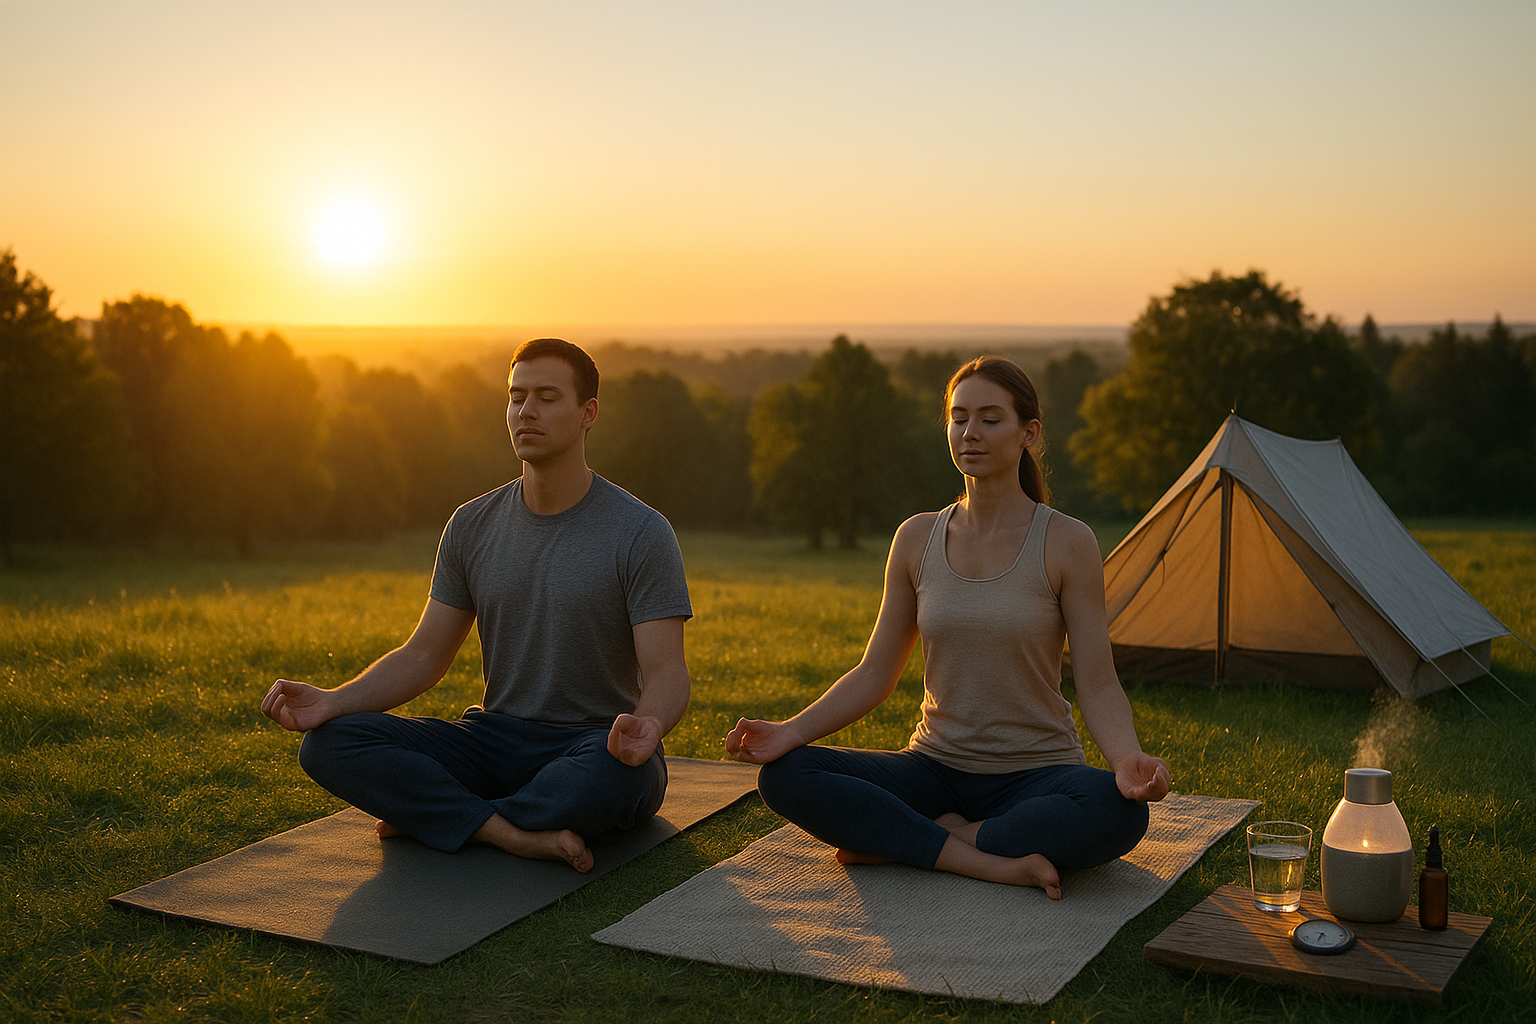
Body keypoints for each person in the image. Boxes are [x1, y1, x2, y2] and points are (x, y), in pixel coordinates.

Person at [725, 355, 1169, 898]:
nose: (970, 433)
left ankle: (920, 841)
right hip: (933, 770)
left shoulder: (1067, 542)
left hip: (1036, 776)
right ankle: (987, 861)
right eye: (959, 418)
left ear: (1028, 433)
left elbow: (1098, 682)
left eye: (989, 418)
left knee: (1116, 813)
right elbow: (874, 674)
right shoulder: (916, 538)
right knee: (786, 776)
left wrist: (1127, 762)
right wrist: (789, 732)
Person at [261, 338, 692, 873]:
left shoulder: (641, 532)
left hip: (593, 745)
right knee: (331, 744)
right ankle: (512, 833)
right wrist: (331, 701)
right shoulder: (471, 525)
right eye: (516, 397)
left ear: (589, 414)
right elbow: (423, 657)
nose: (526, 410)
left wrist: (648, 725)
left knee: (624, 778)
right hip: (491, 741)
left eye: (547, 397)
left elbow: (667, 671)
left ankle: (444, 817)